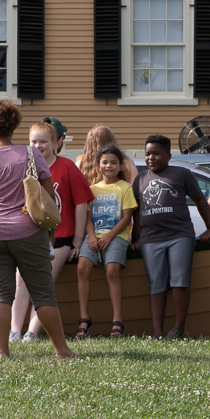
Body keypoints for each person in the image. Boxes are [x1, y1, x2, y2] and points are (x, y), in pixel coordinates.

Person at [0, 99, 77, 359]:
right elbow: (48, 195)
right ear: (15, 125)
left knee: (0, 293)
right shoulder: (31, 154)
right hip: (28, 231)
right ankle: (62, 350)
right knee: (43, 293)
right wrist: (51, 229)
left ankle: (1, 351)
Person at [9, 119, 94, 342]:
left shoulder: (67, 167)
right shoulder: (24, 166)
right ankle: (15, 331)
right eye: (33, 141)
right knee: (20, 281)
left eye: (44, 142)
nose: (38, 146)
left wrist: (77, 240)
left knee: (43, 282)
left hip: (60, 237)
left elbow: (81, 202)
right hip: (28, 235)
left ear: (56, 143)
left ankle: (32, 332)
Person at [132, 135, 210, 341]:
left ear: (168, 155)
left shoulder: (182, 173)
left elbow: (200, 201)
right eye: (147, 154)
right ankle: (157, 333)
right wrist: (138, 236)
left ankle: (177, 329)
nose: (151, 158)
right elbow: (136, 211)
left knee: (180, 281)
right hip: (151, 240)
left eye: (156, 153)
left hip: (179, 235)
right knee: (156, 284)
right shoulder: (140, 179)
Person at [76, 145, 137, 339]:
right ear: (97, 166)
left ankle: (117, 320)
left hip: (117, 236)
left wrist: (109, 236)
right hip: (94, 237)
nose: (108, 165)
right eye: (104, 162)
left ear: (120, 166)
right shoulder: (92, 189)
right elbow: (87, 217)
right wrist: (92, 236)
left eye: (113, 162)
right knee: (82, 268)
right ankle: (85, 318)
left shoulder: (125, 188)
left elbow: (127, 218)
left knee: (112, 270)